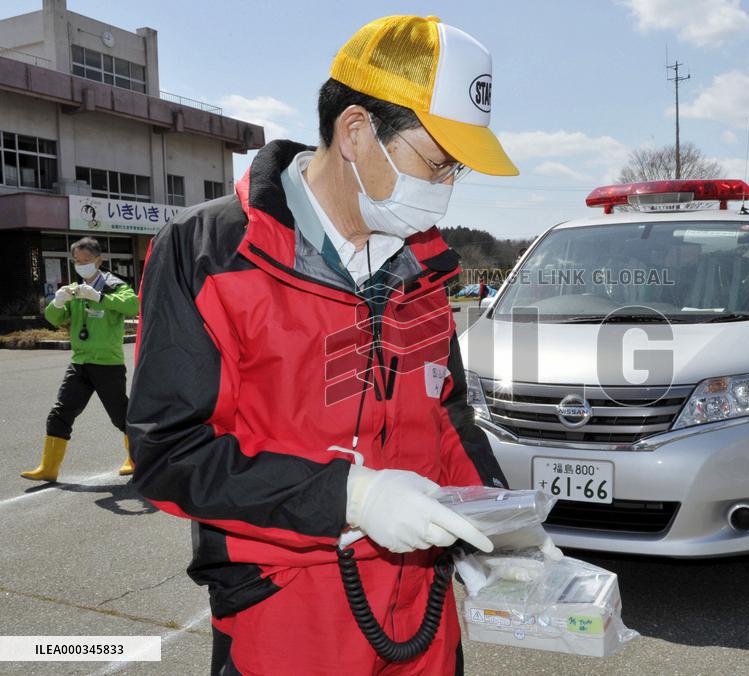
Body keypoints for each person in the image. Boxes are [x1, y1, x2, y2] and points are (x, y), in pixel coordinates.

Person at [127, 15, 520, 675]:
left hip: (420, 606)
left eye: (455, 170)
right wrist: (352, 497)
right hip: (286, 608)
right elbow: (170, 453)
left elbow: (448, 413)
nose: (445, 188)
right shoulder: (210, 252)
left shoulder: (425, 268)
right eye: (436, 162)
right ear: (357, 132)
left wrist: (504, 525)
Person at [22, 237, 138, 481]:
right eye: (77, 261)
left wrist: (100, 298)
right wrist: (58, 301)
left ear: (99, 260)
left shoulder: (114, 284)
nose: (81, 265)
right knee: (60, 412)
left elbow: (133, 306)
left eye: (86, 260)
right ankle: (49, 468)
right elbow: (53, 318)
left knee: (121, 415)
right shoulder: (74, 288)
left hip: (107, 363)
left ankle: (136, 459)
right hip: (80, 362)